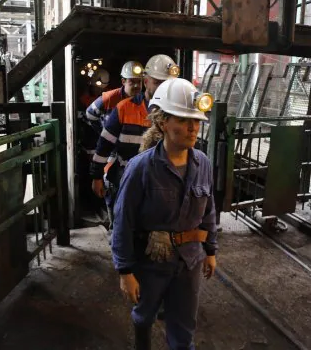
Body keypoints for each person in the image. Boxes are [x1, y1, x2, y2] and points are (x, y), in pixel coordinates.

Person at [111, 78, 217, 350]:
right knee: (144, 317)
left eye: (196, 120)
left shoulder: (202, 162)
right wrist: (125, 272)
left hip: (190, 260)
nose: (193, 127)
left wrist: (211, 250)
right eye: (183, 120)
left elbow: (209, 209)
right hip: (152, 261)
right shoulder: (141, 168)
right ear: (162, 123)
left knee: (183, 330)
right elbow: (123, 221)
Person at [90, 55, 180, 227]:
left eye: (167, 84)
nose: (164, 88)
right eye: (158, 83)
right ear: (146, 82)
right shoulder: (124, 108)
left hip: (159, 183)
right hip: (124, 178)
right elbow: (104, 145)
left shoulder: (175, 113)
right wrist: (96, 176)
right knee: (122, 227)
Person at [86, 60, 144, 135]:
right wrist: (103, 133)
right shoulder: (110, 97)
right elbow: (90, 113)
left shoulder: (144, 100)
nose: (136, 85)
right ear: (123, 81)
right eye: (132, 82)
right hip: (112, 145)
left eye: (139, 82)